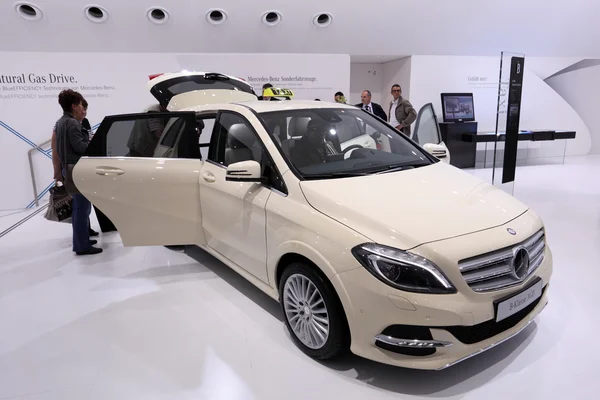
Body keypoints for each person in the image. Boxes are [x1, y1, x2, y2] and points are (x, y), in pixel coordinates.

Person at [55, 89, 102, 255]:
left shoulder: (61, 122)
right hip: (76, 168)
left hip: (68, 168)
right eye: (81, 104)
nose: (83, 107)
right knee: (82, 209)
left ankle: (81, 241)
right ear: (74, 106)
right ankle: (82, 245)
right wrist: (93, 141)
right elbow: (80, 147)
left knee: (79, 208)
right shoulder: (73, 123)